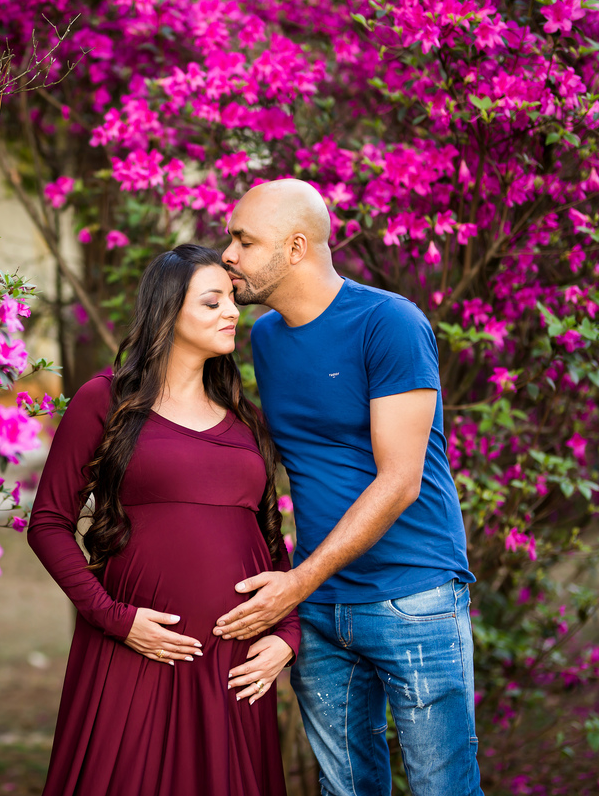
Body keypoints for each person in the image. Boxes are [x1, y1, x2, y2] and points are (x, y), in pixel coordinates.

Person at [216, 179, 482, 796]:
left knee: (444, 788)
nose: (228, 254)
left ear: (297, 247)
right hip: (322, 610)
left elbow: (400, 481)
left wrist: (296, 586)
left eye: (243, 240)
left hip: (412, 596)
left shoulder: (389, 323)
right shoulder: (266, 338)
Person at [27, 244, 300, 796]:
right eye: (212, 301)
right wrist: (116, 619)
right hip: (135, 651)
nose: (231, 312)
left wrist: (288, 636)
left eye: (231, 299)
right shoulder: (106, 400)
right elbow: (48, 523)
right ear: (168, 314)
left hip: (232, 667)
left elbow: (269, 543)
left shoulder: (244, 419)